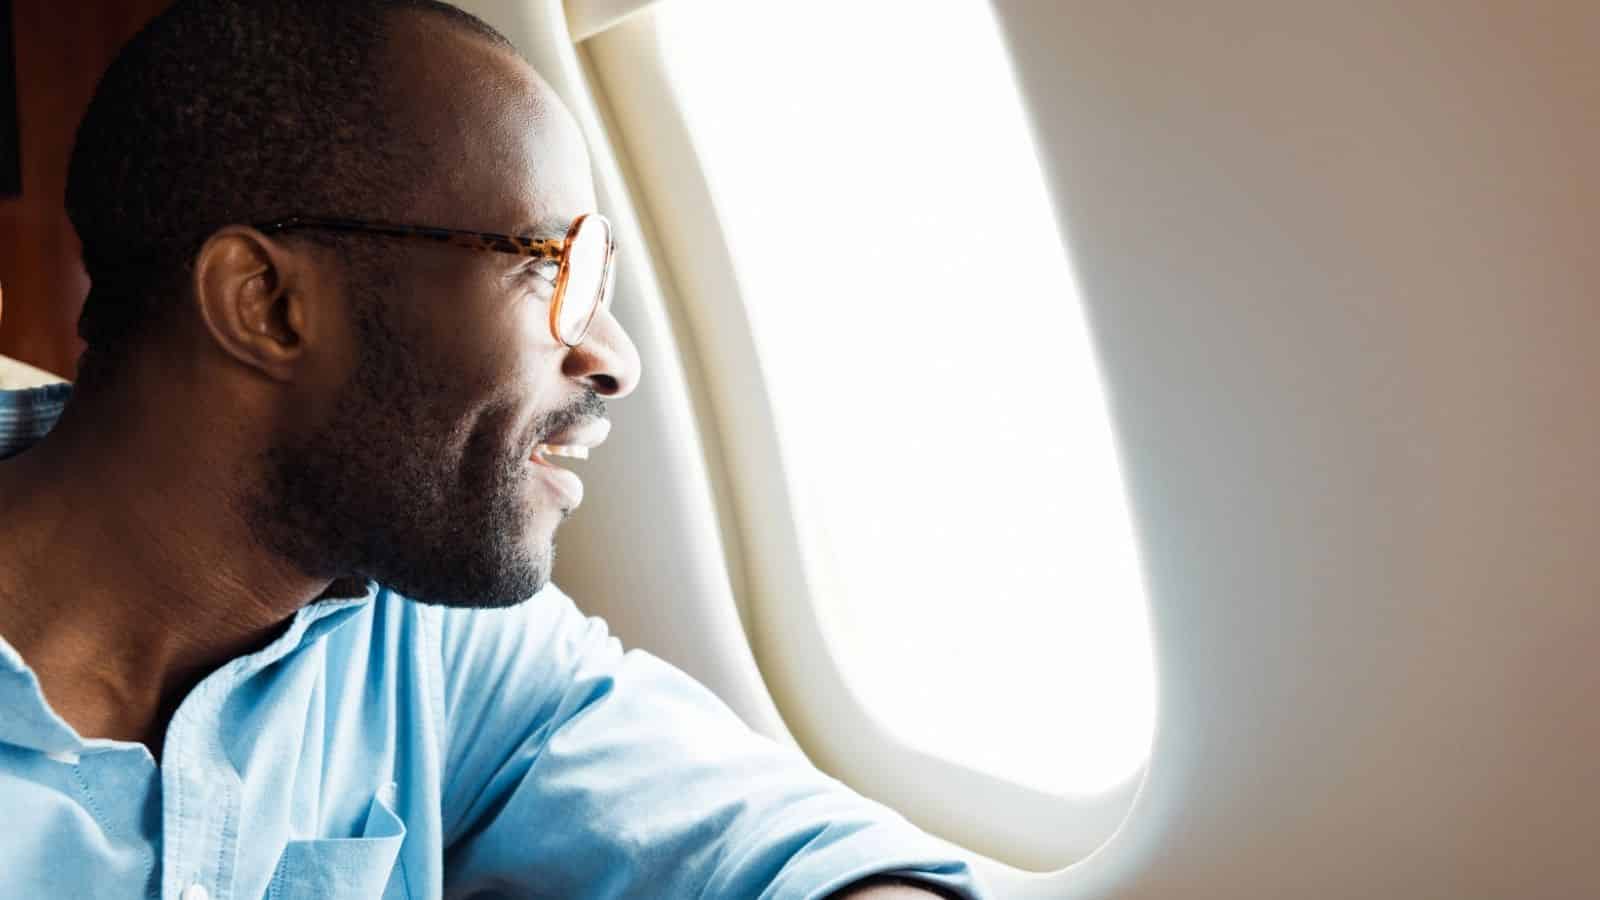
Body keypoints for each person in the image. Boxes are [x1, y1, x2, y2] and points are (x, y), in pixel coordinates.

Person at [0, 2, 988, 897]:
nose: (614, 359)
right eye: (553, 267)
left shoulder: (424, 638)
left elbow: (795, 857)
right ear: (269, 305)